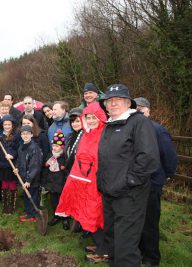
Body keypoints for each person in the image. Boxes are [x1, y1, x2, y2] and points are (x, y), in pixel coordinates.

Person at [97, 84, 160, 267]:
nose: (113, 103)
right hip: (109, 193)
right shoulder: (109, 125)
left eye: (118, 100)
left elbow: (148, 158)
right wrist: (102, 183)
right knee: (113, 240)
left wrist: (129, 181)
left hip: (129, 194)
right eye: (109, 100)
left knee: (126, 246)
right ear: (106, 105)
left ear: (128, 103)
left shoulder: (139, 122)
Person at [56, 102, 108, 263]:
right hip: (82, 181)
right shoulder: (87, 134)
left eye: (94, 117)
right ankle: (101, 246)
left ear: (101, 118)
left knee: (95, 214)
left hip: (95, 184)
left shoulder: (103, 135)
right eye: (88, 118)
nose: (91, 120)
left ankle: (104, 252)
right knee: (87, 213)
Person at [134, 97, 178, 267]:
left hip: (152, 183)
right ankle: (138, 250)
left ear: (148, 111)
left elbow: (170, 157)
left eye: (141, 110)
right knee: (137, 219)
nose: (138, 113)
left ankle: (152, 258)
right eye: (135, 110)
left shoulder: (157, 130)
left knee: (150, 221)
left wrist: (163, 176)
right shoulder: (131, 129)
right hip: (135, 184)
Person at [0, 114, 21, 214]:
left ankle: (11, 205)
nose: (7, 126)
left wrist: (12, 155)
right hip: (2, 164)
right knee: (4, 184)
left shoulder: (17, 135)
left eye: (9, 124)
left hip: (12, 164)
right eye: (5, 124)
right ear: (2, 125)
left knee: (12, 184)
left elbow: (19, 149)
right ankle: (5, 205)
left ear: (12, 125)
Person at [15, 125, 43, 222]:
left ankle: (33, 215)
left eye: (27, 134)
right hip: (23, 176)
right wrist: (17, 168)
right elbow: (19, 159)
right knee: (26, 195)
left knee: (33, 195)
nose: (25, 136)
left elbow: (35, 166)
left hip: (32, 178)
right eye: (23, 134)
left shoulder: (34, 148)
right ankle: (28, 212)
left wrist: (29, 179)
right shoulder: (21, 146)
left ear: (31, 135)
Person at [42, 129, 66, 228]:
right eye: (53, 145)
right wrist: (47, 164)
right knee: (54, 200)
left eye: (57, 146)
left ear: (62, 147)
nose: (54, 148)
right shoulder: (50, 154)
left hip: (61, 182)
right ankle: (56, 216)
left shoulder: (64, 156)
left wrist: (62, 167)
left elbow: (66, 167)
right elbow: (46, 166)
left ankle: (65, 218)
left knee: (62, 200)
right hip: (51, 182)